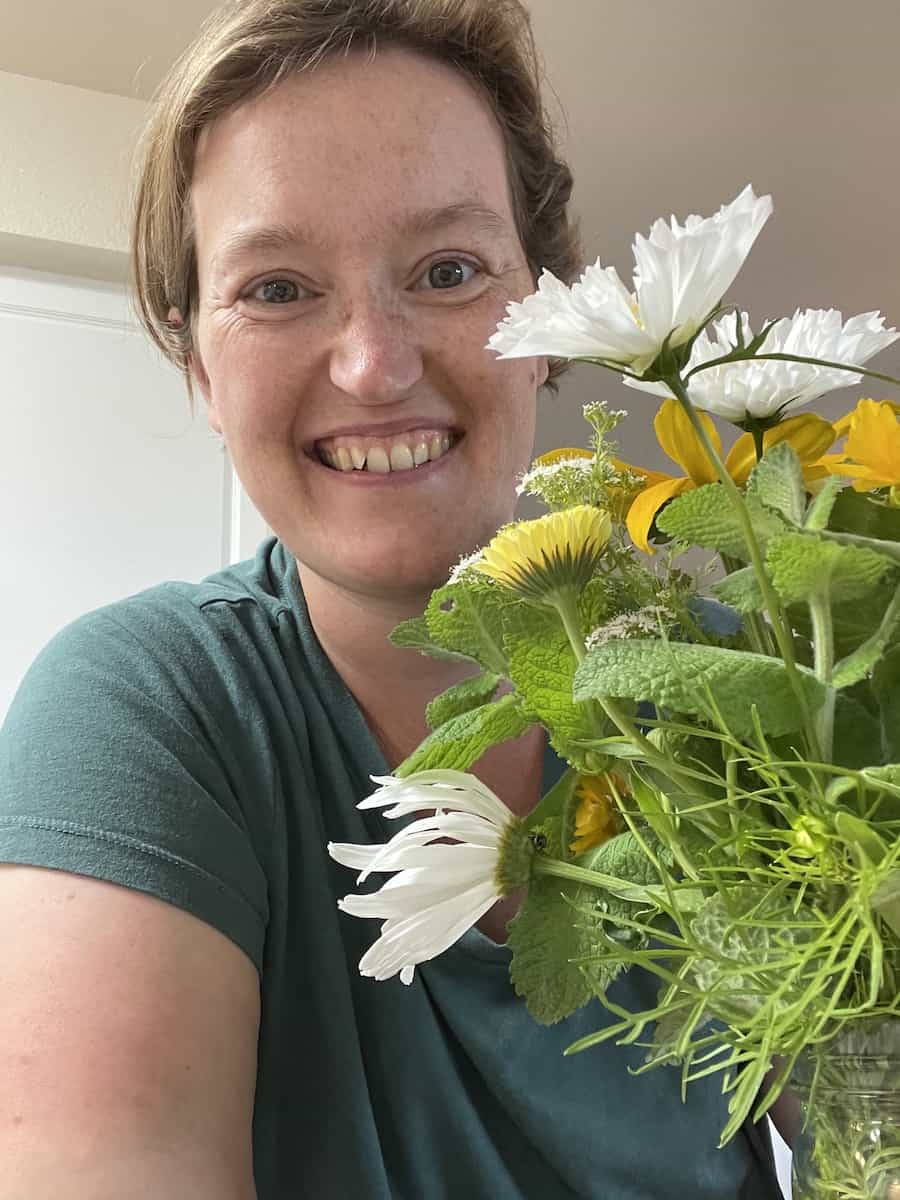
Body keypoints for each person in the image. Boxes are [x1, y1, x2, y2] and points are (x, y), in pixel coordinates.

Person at [0, 1, 784, 1196]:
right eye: (275, 288)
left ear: (548, 318)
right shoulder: (147, 710)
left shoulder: (751, 695)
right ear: (200, 367)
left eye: (450, 270)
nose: (375, 364)